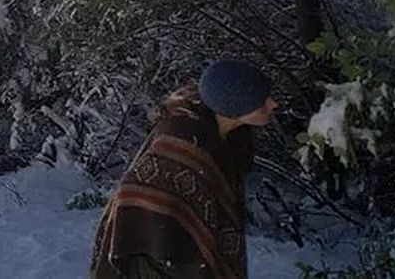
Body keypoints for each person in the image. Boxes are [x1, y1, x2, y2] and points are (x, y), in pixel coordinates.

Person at [91, 60, 278, 278]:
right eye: (261, 98)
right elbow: (134, 204)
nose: (273, 104)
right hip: (155, 263)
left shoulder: (230, 139)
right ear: (234, 102)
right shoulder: (181, 145)